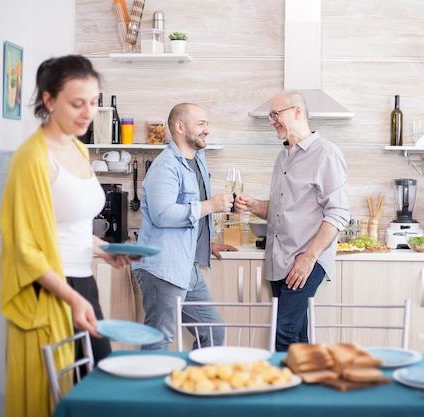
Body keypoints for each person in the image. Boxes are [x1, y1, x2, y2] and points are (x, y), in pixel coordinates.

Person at [0, 55, 133, 417]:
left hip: (83, 284)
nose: (87, 112)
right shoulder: (32, 158)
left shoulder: (78, 148)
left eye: (93, 102)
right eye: (77, 103)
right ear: (49, 100)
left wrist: (104, 249)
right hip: (51, 289)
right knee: (61, 397)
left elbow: (67, 225)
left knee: (98, 391)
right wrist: (71, 298)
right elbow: (25, 246)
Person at [236, 90, 350, 352]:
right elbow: (279, 210)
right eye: (270, 116)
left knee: (284, 333)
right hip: (280, 259)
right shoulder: (283, 157)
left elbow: (339, 212)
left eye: (276, 114)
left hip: (305, 259)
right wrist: (254, 205)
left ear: (296, 112)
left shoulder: (326, 154)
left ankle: (282, 388)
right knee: (297, 334)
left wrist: (308, 258)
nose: (272, 120)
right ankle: (306, 387)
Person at [132, 103, 237, 350]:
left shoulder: (197, 161)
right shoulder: (166, 166)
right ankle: (149, 389)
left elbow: (189, 212)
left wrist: (205, 241)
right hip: (163, 269)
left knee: (212, 332)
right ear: (180, 127)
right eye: (201, 123)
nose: (207, 130)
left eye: (207, 124)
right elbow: (162, 214)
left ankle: (193, 386)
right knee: (159, 340)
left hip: (186, 267)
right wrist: (210, 206)